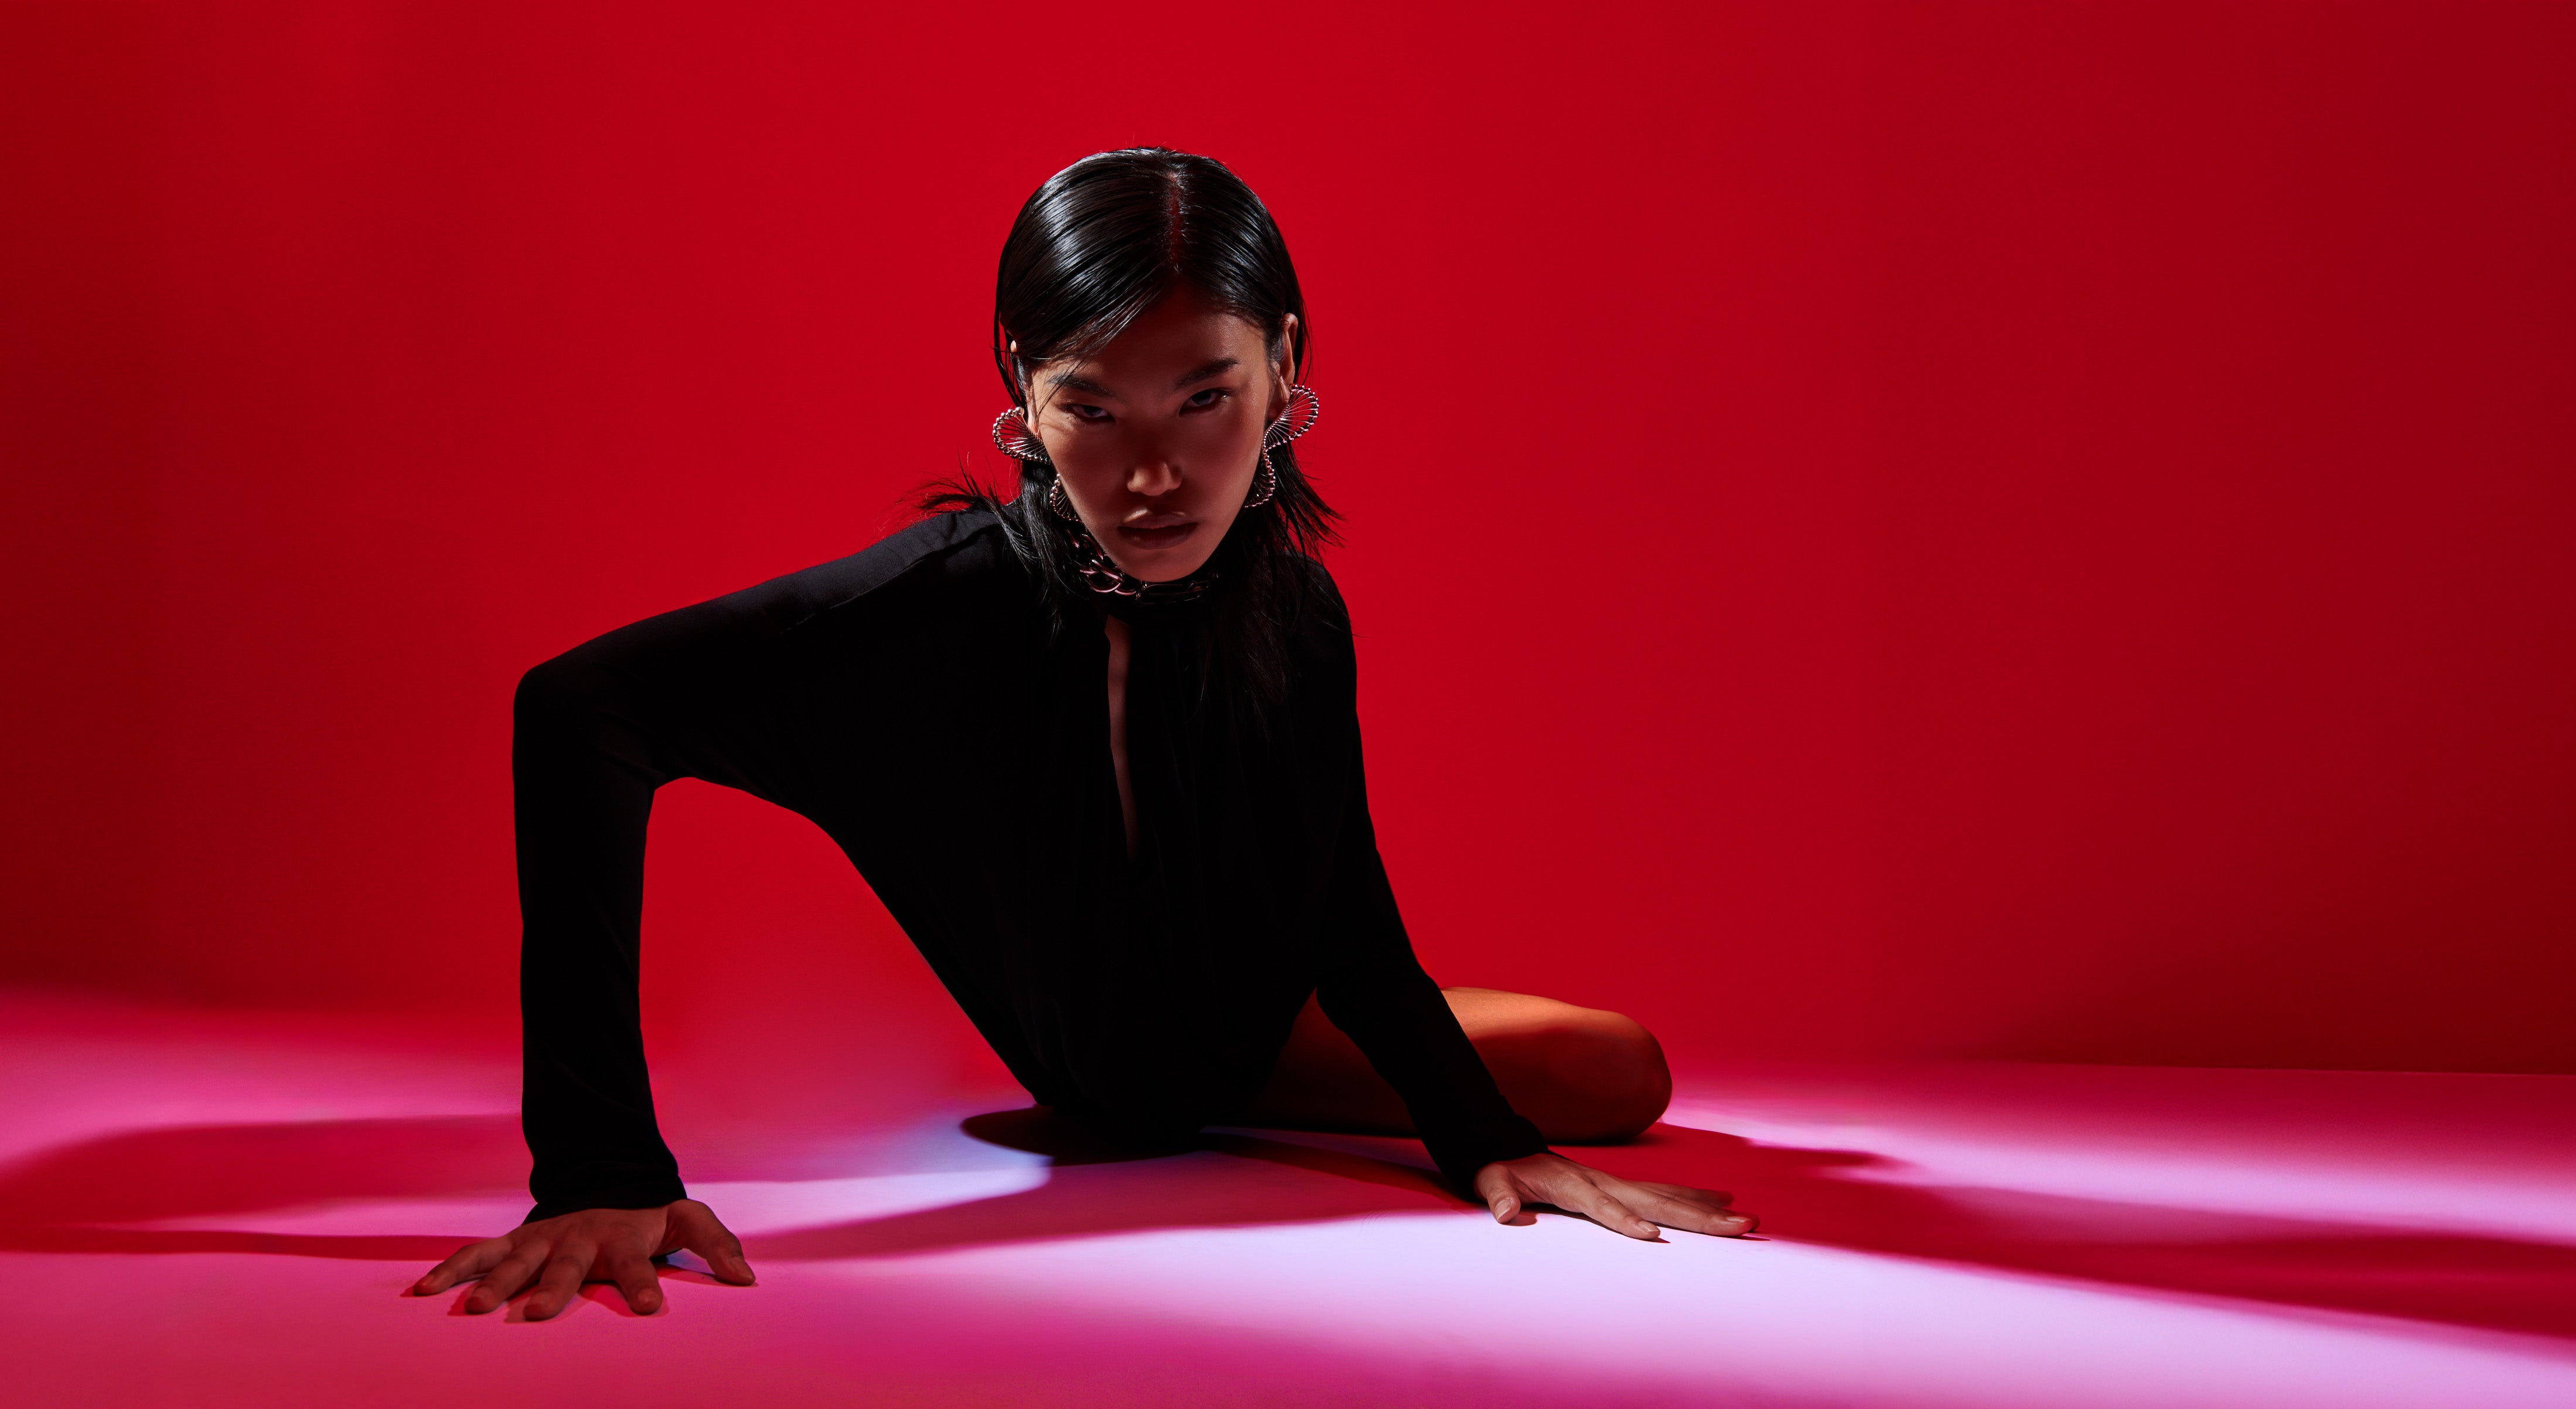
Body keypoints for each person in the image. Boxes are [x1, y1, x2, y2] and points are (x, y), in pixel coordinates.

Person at [412, 147, 1757, 1322]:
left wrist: (1486, 1142)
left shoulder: (1296, 611)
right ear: (1021, 381)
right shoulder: (926, 617)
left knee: (1613, 1069)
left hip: (1243, 1039)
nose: (1154, 478)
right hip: (1100, 1076)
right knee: (1265, 1082)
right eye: (1095, 410)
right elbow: (581, 708)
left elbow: (1345, 923)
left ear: (1285, 365)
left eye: (1205, 398)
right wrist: (598, 1168)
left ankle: (1320, 1100)